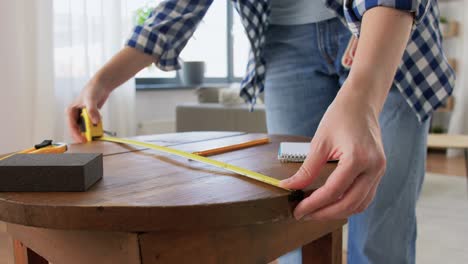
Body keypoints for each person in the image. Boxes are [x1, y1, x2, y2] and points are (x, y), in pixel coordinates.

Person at [66, 0, 455, 263]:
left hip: (387, 28)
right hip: (283, 44)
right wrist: (100, 83)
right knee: (290, 214)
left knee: (378, 219)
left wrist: (367, 65)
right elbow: (176, 12)